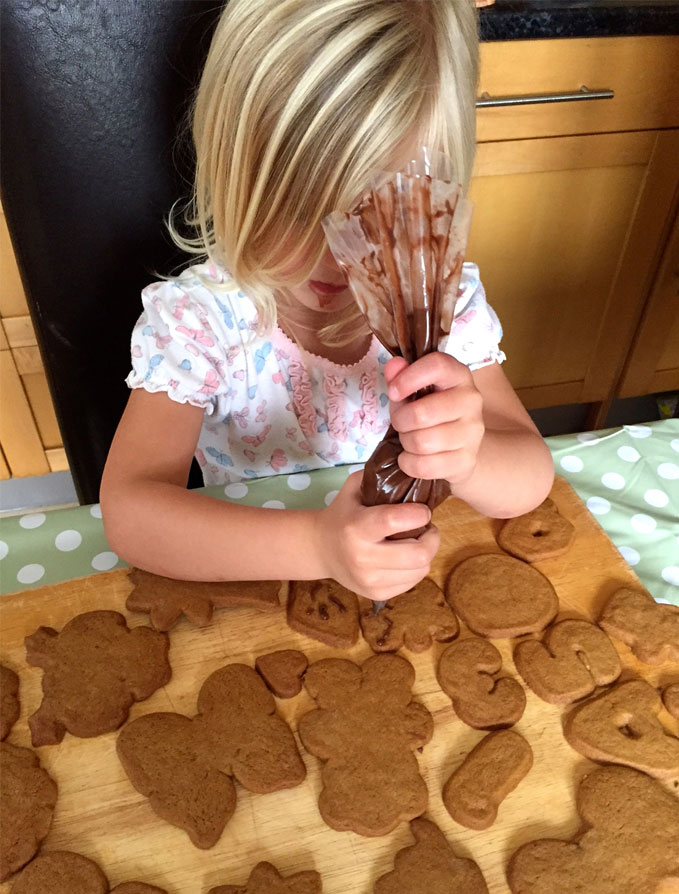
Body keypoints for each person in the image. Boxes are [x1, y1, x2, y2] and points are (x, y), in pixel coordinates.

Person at [101, 0, 554, 602]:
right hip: (259, 582)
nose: (334, 257)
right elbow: (131, 514)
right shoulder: (199, 321)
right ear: (234, 176)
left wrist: (470, 457)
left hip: (413, 583)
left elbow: (530, 480)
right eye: (295, 210)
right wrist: (318, 544)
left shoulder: (443, 311)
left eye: (376, 218)